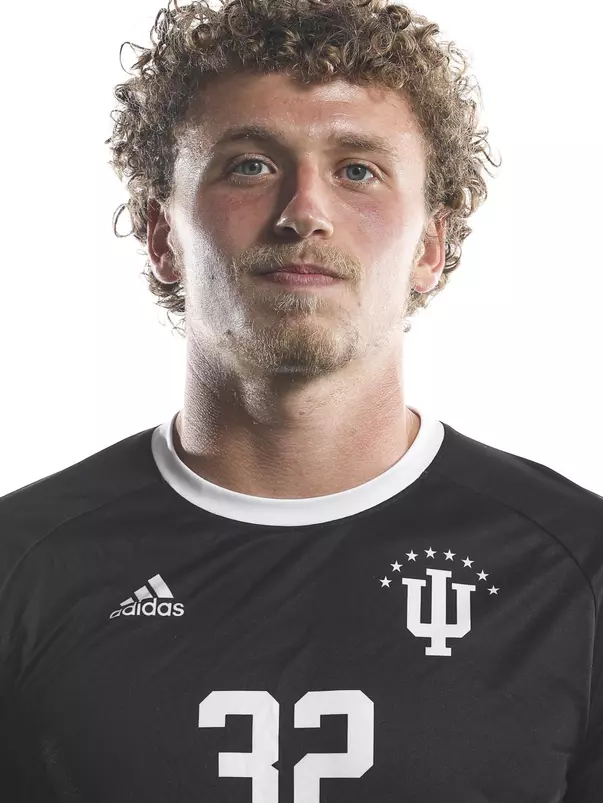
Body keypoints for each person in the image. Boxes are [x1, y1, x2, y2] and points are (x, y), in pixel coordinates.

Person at [1, 1, 601, 800]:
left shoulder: (575, 569)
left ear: (431, 246)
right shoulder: (23, 566)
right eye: (249, 164)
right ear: (161, 235)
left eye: (357, 169)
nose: (303, 213)